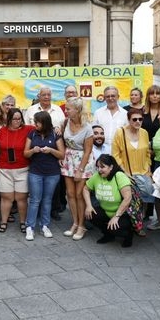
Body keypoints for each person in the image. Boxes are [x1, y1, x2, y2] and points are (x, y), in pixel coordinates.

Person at [23, 111, 65, 240]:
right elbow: (25, 153)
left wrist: (51, 150)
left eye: (37, 122)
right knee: (35, 200)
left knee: (47, 200)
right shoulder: (32, 133)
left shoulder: (55, 134)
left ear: (45, 122)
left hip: (52, 172)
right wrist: (33, 150)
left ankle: (44, 225)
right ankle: (29, 227)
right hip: (35, 171)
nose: (35, 124)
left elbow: (62, 154)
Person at [83, 154, 134, 248]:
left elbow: (128, 198)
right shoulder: (97, 176)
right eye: (98, 167)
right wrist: (88, 206)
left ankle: (128, 235)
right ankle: (108, 235)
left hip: (123, 213)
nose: (99, 170)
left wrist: (116, 216)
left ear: (111, 167)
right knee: (90, 215)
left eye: (102, 167)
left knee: (115, 229)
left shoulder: (119, 176)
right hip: (106, 210)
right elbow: (86, 189)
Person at [61, 98, 94, 241]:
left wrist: (80, 170)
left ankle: (82, 225)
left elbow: (88, 151)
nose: (66, 110)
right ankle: (75, 222)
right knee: (70, 193)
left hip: (83, 161)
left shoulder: (88, 127)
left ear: (77, 109)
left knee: (80, 194)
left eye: (68, 108)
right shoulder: (65, 122)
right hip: (69, 159)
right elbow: (63, 140)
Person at [0, 108, 32, 233]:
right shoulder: (1, 131)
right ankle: (3, 222)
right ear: (9, 119)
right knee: (6, 197)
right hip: (4, 169)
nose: (17, 121)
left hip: (22, 168)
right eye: (14, 119)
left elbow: (43, 127)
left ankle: (23, 222)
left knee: (21, 197)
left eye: (19, 118)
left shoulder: (28, 129)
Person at [112, 109, 152, 213]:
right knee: (129, 202)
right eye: (134, 119)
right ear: (129, 120)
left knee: (144, 199)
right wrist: (124, 172)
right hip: (127, 174)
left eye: (140, 119)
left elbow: (147, 153)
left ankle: (140, 223)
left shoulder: (144, 133)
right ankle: (131, 225)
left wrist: (148, 171)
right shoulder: (120, 132)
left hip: (143, 173)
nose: (138, 121)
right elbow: (115, 155)